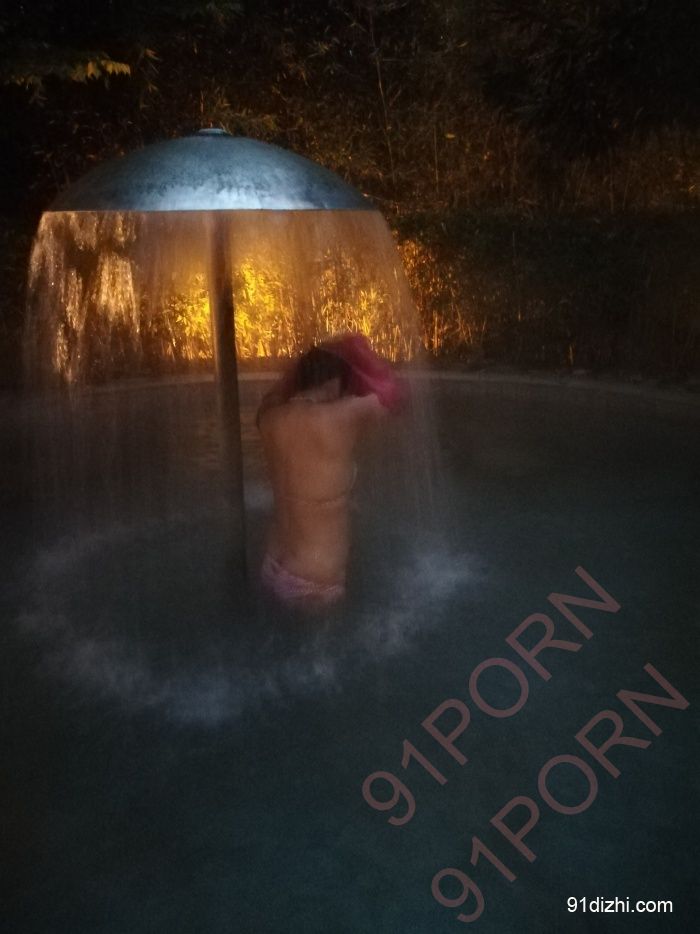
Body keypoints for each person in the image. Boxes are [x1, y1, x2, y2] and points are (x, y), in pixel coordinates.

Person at [257, 334, 406, 610]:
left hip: (273, 564)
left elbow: (276, 393)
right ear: (333, 382)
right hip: (314, 581)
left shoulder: (269, 417)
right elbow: (394, 397)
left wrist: (307, 364)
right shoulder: (339, 418)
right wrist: (352, 349)